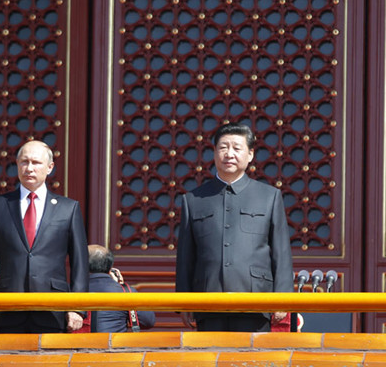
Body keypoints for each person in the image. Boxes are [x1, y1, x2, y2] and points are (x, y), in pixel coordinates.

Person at [175, 123, 293, 332]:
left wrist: (282, 298)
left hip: (256, 299)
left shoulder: (269, 196)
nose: (229, 154)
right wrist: (183, 301)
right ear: (214, 153)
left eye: (237, 148)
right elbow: (186, 257)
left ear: (250, 154)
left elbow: (281, 252)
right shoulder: (193, 199)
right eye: (223, 147)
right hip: (208, 299)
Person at [0, 140, 89, 333]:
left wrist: (77, 308)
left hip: (53, 306)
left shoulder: (68, 208)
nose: (29, 168)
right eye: (24, 162)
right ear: (17, 164)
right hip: (8, 304)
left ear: (50, 167)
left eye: (36, 162)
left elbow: (80, 261)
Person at [86, 244, 155, 333]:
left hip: (78, 341)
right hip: (113, 341)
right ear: (110, 268)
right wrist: (120, 285)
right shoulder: (126, 292)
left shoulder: (72, 290)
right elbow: (148, 322)